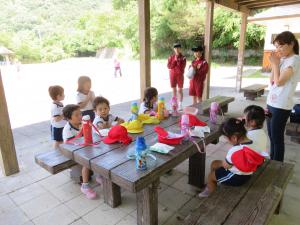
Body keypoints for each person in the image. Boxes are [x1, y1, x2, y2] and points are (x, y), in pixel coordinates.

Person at [199, 118, 263, 197]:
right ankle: (217, 180)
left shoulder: (235, 151)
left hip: (236, 177)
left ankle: (210, 190)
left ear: (234, 138)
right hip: (248, 173)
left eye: (227, 139)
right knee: (214, 164)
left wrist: (222, 163)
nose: (227, 141)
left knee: (211, 176)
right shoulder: (254, 143)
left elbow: (227, 165)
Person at [267, 31, 300, 162]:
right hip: (271, 102)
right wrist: (274, 63)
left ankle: (277, 168)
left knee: (277, 138)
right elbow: (272, 81)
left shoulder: (295, 60)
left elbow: (280, 82)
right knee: (271, 136)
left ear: (291, 44)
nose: (278, 49)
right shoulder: (283, 59)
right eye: (276, 47)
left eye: (281, 46)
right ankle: (271, 162)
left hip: (281, 105)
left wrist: (275, 64)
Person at [62, 104, 97, 199]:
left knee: (99, 152)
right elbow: (71, 145)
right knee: (87, 161)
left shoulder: (83, 123)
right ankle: (85, 186)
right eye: (76, 115)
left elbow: (92, 136)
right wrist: (83, 131)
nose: (80, 117)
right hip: (73, 153)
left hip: (84, 149)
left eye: (80, 114)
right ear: (69, 118)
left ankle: (100, 176)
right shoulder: (67, 129)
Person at [167, 43, 186, 110]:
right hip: (172, 75)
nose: (177, 49)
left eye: (178, 48)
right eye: (175, 48)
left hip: (180, 75)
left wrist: (177, 61)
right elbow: (169, 66)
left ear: (180, 49)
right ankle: (174, 103)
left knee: (180, 90)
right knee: (174, 90)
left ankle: (180, 104)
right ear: (174, 49)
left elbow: (182, 68)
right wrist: (174, 60)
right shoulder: (171, 57)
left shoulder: (183, 58)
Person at [48, 85, 67, 149]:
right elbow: (57, 119)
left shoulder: (60, 103)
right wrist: (65, 113)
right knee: (58, 141)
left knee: (62, 140)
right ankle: (55, 151)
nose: (64, 95)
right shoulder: (55, 107)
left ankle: (60, 151)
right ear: (58, 96)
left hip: (62, 126)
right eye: (63, 94)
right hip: (57, 127)